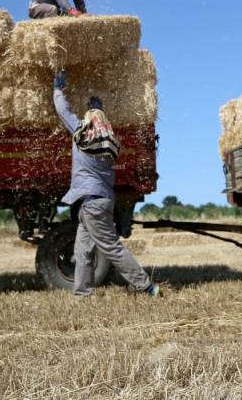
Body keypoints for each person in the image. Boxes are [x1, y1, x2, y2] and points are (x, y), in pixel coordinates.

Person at [53, 69, 161, 298]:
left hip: (92, 203)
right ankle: (81, 295)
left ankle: (147, 287)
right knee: (82, 251)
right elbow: (99, 125)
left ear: (88, 124)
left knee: (111, 248)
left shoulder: (81, 137)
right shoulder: (110, 144)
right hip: (96, 202)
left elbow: (63, 111)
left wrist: (58, 89)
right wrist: (99, 109)